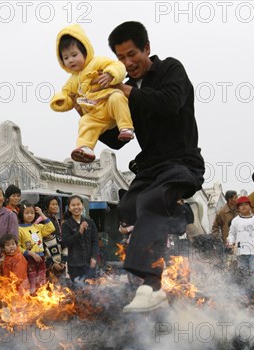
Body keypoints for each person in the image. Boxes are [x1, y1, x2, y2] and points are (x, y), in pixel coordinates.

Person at [97, 21, 205, 312]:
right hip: (151, 167)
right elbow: (118, 138)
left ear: (146, 48)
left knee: (151, 201)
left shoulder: (170, 69)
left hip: (181, 161)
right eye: (120, 58)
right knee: (129, 206)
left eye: (132, 55)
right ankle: (180, 215)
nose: (128, 63)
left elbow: (170, 103)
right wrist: (91, 114)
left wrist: (123, 90)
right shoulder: (126, 91)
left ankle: (152, 285)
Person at [51, 24, 134, 163]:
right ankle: (85, 148)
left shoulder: (97, 62)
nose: (70, 60)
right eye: (65, 58)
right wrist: (61, 101)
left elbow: (118, 66)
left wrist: (110, 75)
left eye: (74, 55)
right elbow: (66, 94)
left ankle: (125, 127)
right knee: (85, 121)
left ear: (85, 51)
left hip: (108, 103)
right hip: (95, 113)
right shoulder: (73, 80)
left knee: (117, 97)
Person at [226, 196, 254, 292]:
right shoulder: (235, 221)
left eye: (246, 204)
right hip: (240, 253)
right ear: (238, 208)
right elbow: (231, 234)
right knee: (243, 275)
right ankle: (246, 295)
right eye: (241, 205)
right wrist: (230, 242)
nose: (243, 207)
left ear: (250, 206)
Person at [18, 202, 56, 293]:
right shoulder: (19, 229)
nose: (30, 215)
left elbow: (51, 228)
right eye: (26, 213)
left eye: (32, 213)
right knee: (32, 278)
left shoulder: (37, 226)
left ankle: (41, 296)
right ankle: (33, 298)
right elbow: (17, 247)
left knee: (42, 279)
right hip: (29, 258)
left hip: (41, 257)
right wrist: (30, 253)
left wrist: (41, 214)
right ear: (21, 214)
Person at [61, 196, 99, 282]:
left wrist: (94, 257)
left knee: (90, 290)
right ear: (69, 208)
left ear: (82, 206)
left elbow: (95, 241)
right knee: (77, 291)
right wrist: (79, 232)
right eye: (73, 205)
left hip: (89, 263)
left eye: (78, 204)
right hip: (74, 265)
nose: (76, 207)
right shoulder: (66, 225)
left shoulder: (90, 222)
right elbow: (66, 243)